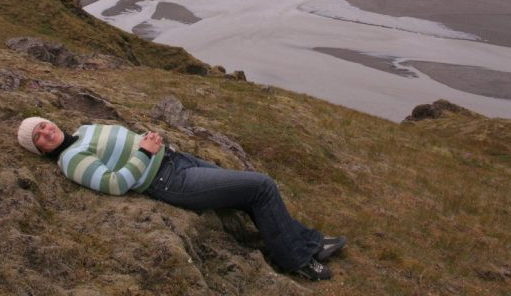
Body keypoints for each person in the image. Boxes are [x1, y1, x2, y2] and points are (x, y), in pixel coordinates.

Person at [17, 117, 346, 281]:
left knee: (248, 197)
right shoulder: (71, 160)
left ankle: (310, 243)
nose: (46, 133)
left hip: (176, 159)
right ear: (40, 150)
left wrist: (148, 140)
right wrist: (145, 153)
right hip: (168, 179)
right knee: (261, 187)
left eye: (44, 126)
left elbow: (124, 144)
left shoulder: (84, 130)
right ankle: (298, 262)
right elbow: (115, 184)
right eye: (39, 138)